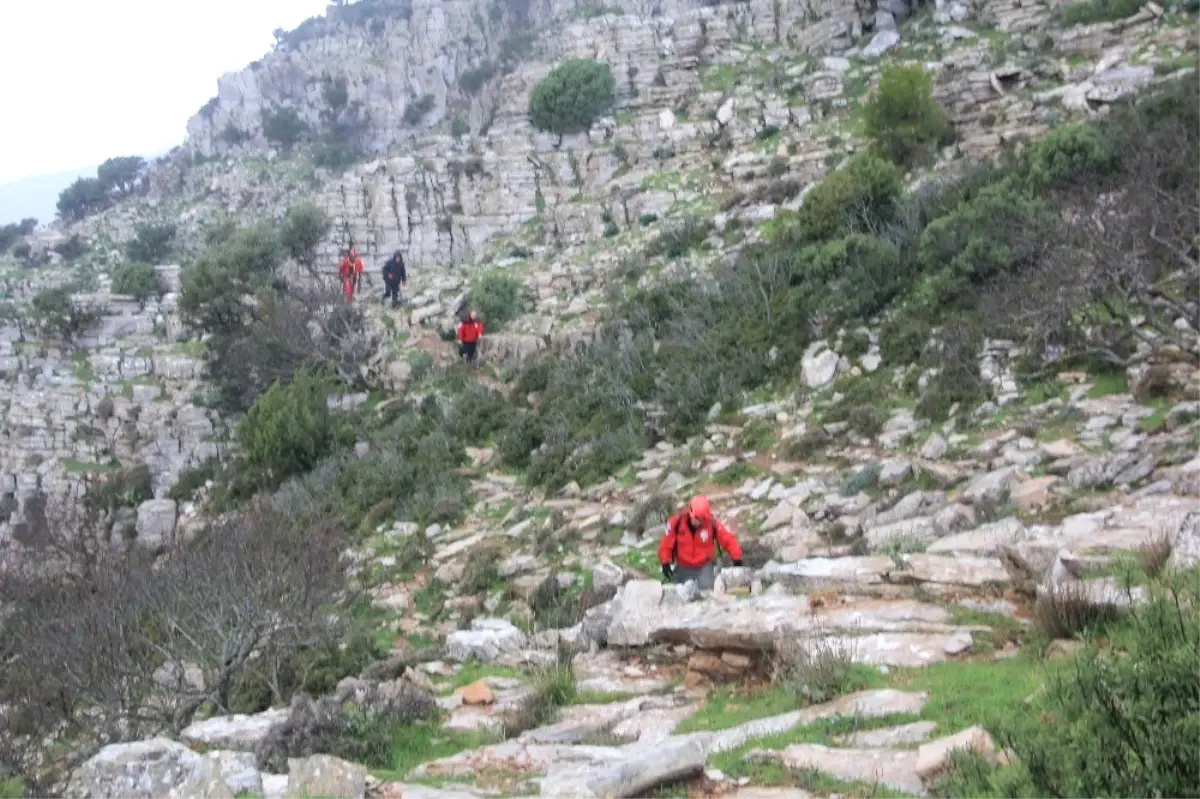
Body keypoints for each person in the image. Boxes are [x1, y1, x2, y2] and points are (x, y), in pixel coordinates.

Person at [658, 495, 743, 591]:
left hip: (704, 566)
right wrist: (665, 562)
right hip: (683, 566)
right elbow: (666, 543)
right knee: (682, 592)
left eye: (701, 519)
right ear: (690, 512)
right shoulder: (676, 522)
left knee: (706, 591)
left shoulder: (712, 523)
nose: (698, 522)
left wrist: (737, 559)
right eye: (696, 518)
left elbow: (728, 539)